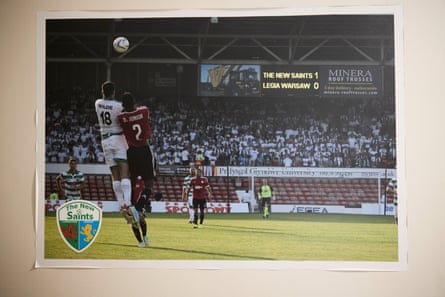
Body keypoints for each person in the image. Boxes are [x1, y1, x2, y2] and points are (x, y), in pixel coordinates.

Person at [117, 92, 156, 247]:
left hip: (131, 151)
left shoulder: (121, 117)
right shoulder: (144, 111)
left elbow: (122, 117)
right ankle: (138, 206)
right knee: (150, 185)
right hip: (145, 150)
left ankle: (132, 205)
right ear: (134, 102)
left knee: (131, 182)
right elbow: (143, 113)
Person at [95, 81, 132, 217]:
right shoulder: (118, 106)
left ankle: (121, 204)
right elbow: (126, 115)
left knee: (114, 175)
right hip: (117, 138)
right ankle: (128, 204)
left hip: (105, 140)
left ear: (102, 91)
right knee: (124, 172)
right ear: (114, 91)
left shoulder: (97, 103)